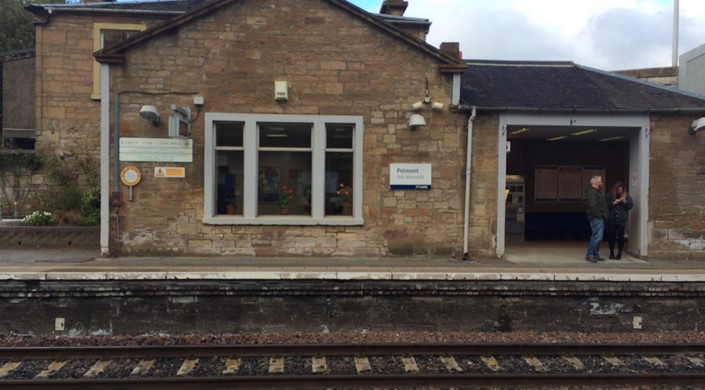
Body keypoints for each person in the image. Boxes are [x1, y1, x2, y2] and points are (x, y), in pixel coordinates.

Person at [605, 181, 633, 260]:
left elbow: (629, 206)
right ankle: (611, 253)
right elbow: (606, 205)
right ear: (615, 189)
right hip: (612, 219)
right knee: (612, 237)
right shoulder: (610, 195)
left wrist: (625, 202)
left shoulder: (627, 196)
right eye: (618, 189)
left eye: (621, 189)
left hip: (622, 220)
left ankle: (619, 254)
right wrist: (614, 203)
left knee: (621, 237)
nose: (620, 191)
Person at [585, 175, 608, 263]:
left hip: (598, 217)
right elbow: (593, 205)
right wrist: (599, 215)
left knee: (599, 237)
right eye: (600, 182)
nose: (602, 183)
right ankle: (590, 254)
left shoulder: (596, 192)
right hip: (596, 218)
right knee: (597, 237)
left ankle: (595, 254)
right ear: (596, 183)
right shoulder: (592, 192)